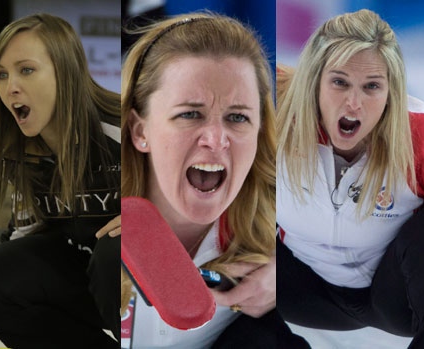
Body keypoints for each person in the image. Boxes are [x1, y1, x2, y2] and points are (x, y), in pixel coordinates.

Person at [121, 12, 307, 348]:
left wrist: (284, 279)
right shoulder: (92, 218)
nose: (216, 138)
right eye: (190, 114)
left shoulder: (283, 221)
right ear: (140, 130)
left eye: (238, 117)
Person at [276, 9, 424, 348]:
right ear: (314, 80)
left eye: (372, 86)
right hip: (297, 292)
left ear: (392, 91)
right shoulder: (273, 112)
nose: (353, 103)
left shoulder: (419, 135)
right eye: (340, 82)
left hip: (396, 300)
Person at [0, 13, 121, 348]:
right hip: (85, 279)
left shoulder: (126, 128)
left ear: (66, 73)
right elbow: (20, 244)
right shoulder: (23, 151)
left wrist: (149, 218)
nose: (11, 87)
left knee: (117, 252)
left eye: (27, 70)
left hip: (144, 281)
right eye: (2, 75)